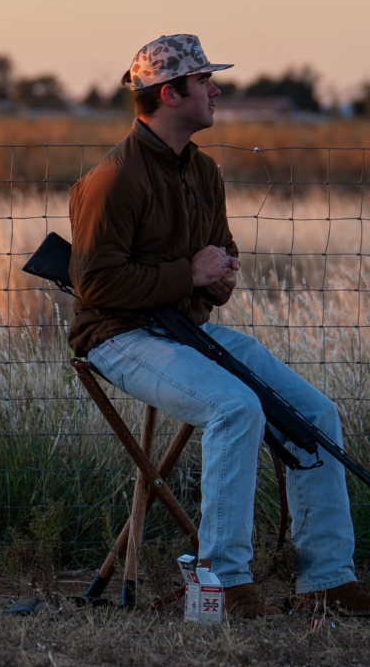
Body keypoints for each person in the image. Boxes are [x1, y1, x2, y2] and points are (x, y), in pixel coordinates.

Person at [68, 34, 369, 619]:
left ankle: (327, 584)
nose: (216, 90)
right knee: (236, 407)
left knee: (316, 415)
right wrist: (189, 274)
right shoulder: (113, 179)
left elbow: (220, 254)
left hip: (187, 332)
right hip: (119, 338)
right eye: (204, 81)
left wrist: (219, 276)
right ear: (169, 93)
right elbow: (95, 289)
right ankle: (223, 584)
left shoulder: (203, 171)